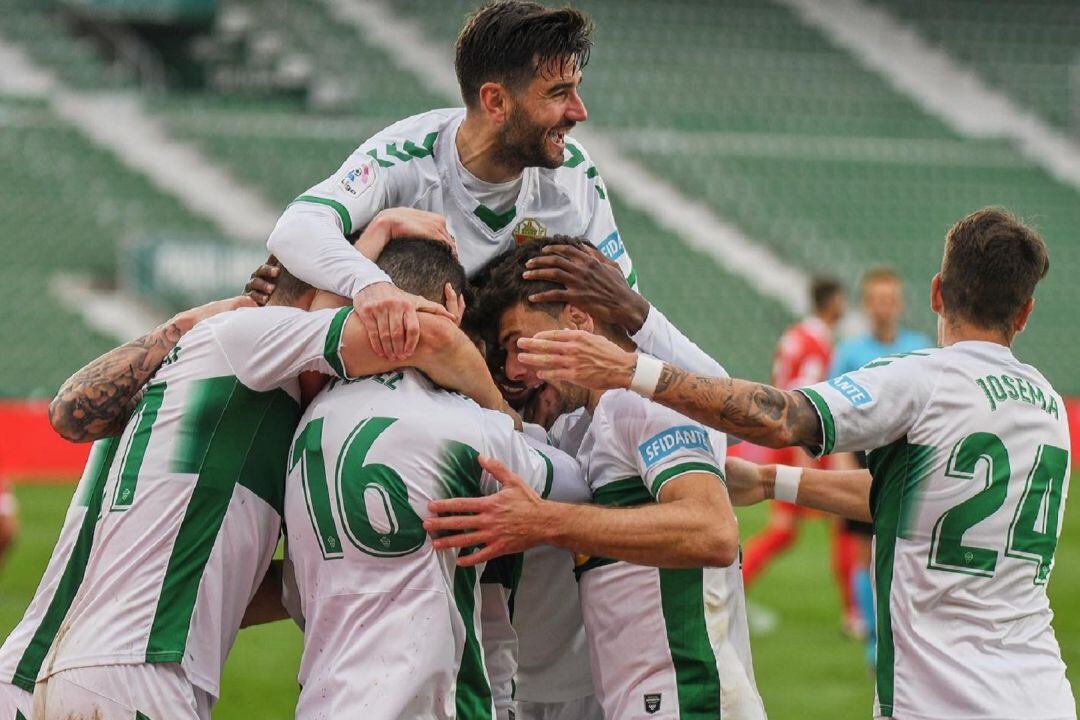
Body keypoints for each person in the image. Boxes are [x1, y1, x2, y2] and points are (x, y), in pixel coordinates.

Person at [510, 207, 1074, 720]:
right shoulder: (1047, 405)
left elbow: (779, 417)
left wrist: (632, 369)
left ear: (936, 293)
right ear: (1025, 312)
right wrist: (771, 480)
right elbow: (918, 501)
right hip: (1042, 689)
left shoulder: (924, 378)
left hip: (944, 699)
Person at [6, 227, 506, 719]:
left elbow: (70, 414)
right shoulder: (251, 340)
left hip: (37, 670)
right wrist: (508, 426)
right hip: (139, 670)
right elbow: (432, 338)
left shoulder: (214, 378)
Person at [427, 238, 767, 720]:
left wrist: (544, 522)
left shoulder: (642, 402)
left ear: (578, 319)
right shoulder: (593, 424)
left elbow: (712, 530)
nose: (514, 369)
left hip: (688, 699)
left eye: (518, 344)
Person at [282, 238, 576, 720]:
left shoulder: (309, 424)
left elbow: (298, 591)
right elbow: (577, 485)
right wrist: (499, 406)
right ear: (452, 308)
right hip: (427, 704)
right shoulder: (462, 425)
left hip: (325, 699)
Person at [261, 0, 636, 365]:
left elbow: (622, 312)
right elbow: (296, 228)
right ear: (496, 101)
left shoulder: (575, 174)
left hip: (513, 397)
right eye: (559, 93)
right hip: (392, 371)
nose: (579, 112)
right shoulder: (406, 158)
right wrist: (371, 285)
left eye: (577, 88)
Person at [830, 267, 932, 657]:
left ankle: (903, 628)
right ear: (866, 305)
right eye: (877, 300)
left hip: (908, 462)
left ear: (900, 304)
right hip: (863, 460)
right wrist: (842, 465)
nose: (884, 308)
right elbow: (835, 412)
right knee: (863, 549)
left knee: (905, 549)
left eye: (890, 300)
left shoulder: (919, 347)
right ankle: (874, 636)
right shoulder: (850, 352)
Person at [739, 277, 852, 629]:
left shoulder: (795, 335)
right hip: (801, 442)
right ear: (833, 302)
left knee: (790, 530)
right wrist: (810, 452)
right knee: (844, 519)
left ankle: (730, 591)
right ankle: (856, 612)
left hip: (782, 437)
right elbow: (805, 392)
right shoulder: (818, 345)